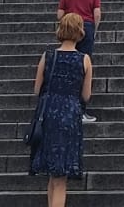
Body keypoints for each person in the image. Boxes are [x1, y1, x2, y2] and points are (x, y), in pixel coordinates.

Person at [29, 14, 94, 207]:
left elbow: (36, 88)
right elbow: (86, 95)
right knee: (60, 179)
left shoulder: (48, 56)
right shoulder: (85, 59)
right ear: (80, 31)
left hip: (49, 113)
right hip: (70, 115)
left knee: (52, 176)